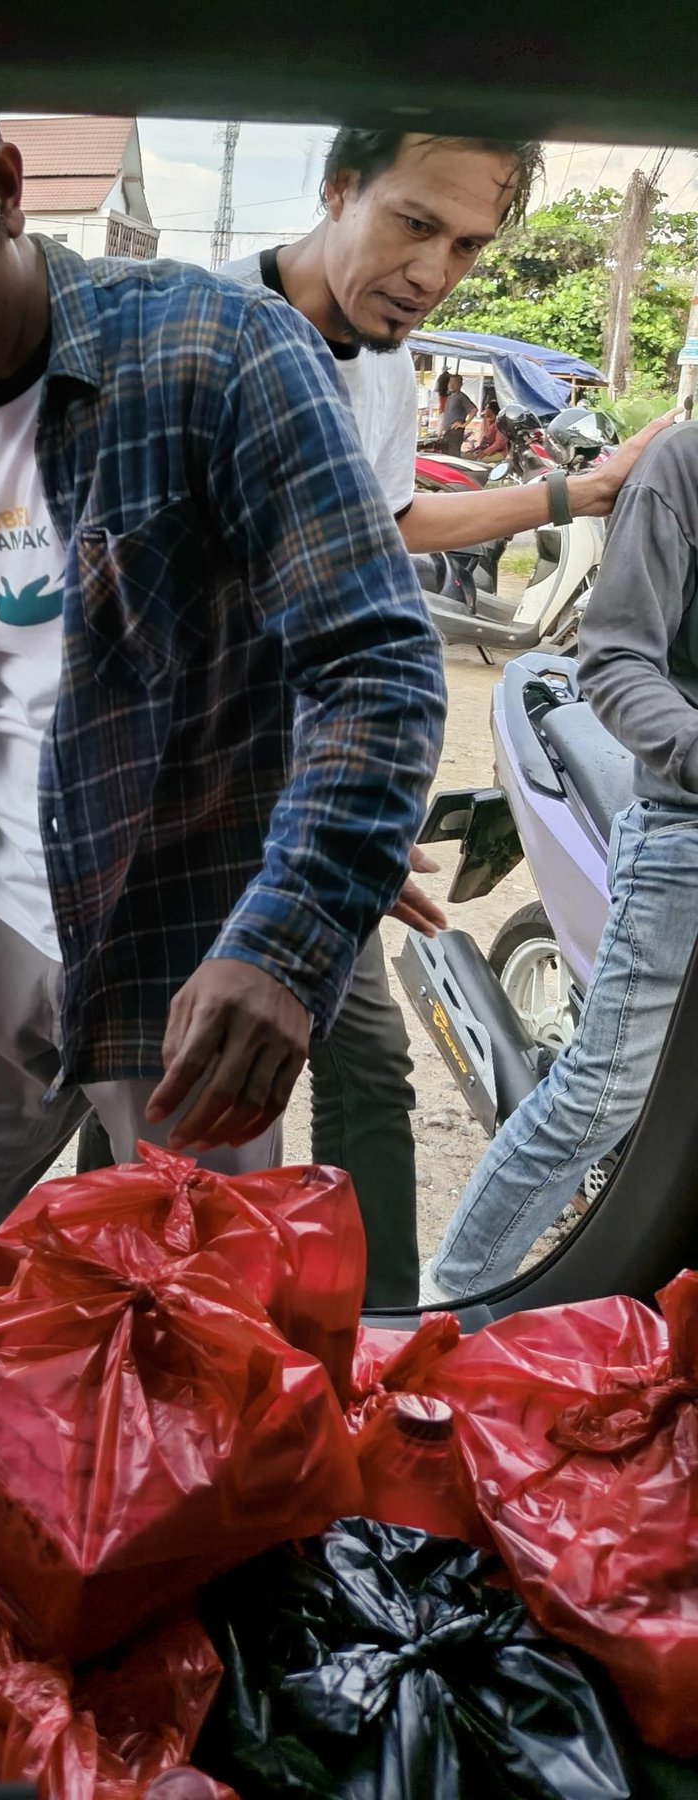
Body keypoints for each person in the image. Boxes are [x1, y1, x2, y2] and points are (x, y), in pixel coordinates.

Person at [0, 113, 447, 1274]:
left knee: (201, 1327)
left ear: (5, 189)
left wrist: (286, 942)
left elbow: (374, 662)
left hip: (192, 951)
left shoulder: (218, 350)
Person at [176, 127, 668, 1307]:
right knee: (169, 1096)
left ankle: (384, 1335)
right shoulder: (186, 328)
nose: (435, 271)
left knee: (366, 1073)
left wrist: (575, 492)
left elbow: (381, 538)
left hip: (308, 796)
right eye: (413, 224)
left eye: (466, 245)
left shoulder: (386, 371)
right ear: (337, 185)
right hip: (179, 809)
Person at [426, 422, 698, 1300]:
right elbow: (615, 662)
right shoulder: (683, 466)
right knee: (603, 1092)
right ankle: (450, 1307)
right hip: (687, 828)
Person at [438, 373, 477, 452]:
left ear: (460, 385)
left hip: (455, 431)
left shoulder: (461, 397)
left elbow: (474, 410)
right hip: (447, 430)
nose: (451, 385)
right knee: (445, 453)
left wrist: (464, 424)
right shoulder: (449, 397)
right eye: (450, 382)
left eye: (455, 382)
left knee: (453, 454)